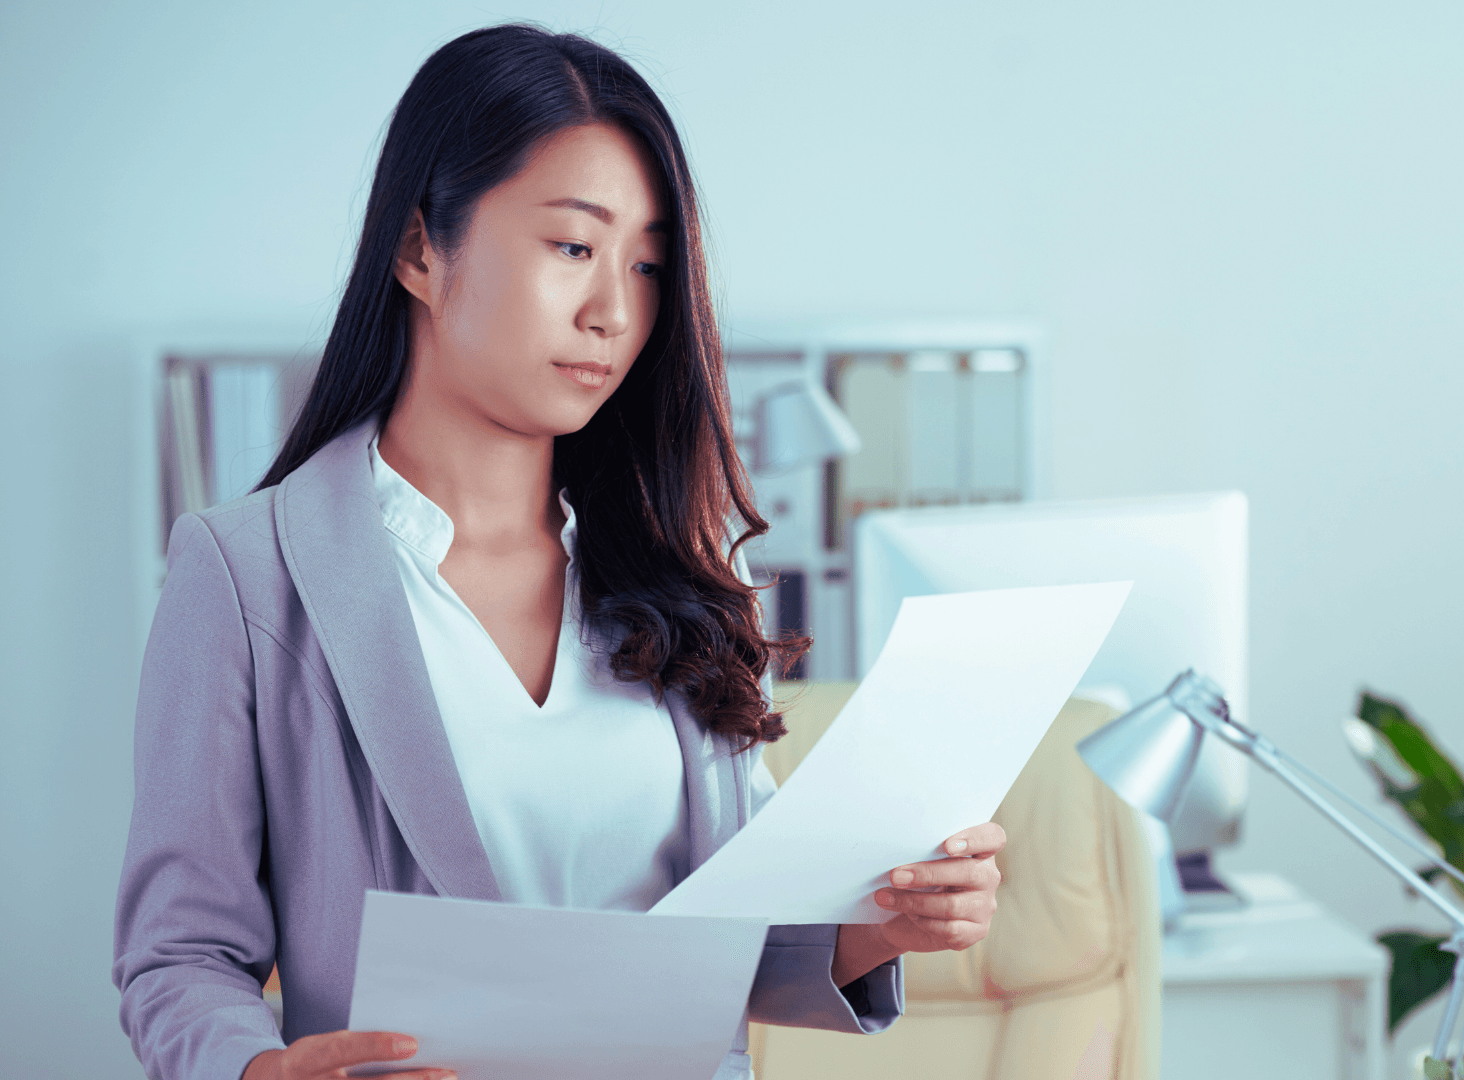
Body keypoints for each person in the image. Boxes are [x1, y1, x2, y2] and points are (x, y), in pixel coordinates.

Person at [111, 23, 1004, 1080]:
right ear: (418, 250)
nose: (615, 313)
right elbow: (178, 957)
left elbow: (733, 940)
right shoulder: (248, 575)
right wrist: (259, 1072)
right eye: (574, 248)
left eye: (648, 265)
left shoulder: (678, 566)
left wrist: (890, 919)